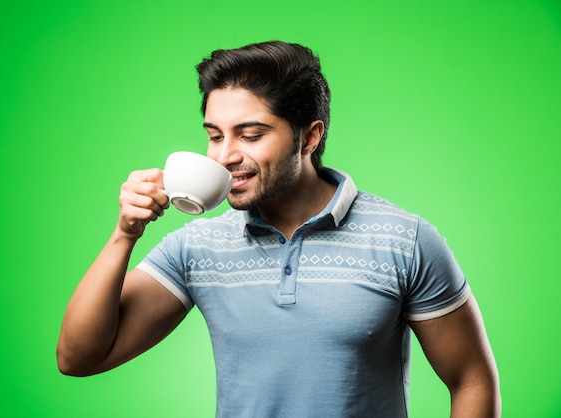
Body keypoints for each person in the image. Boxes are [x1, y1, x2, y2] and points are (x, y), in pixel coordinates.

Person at [57, 41, 501, 417]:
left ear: (309, 137)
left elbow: (471, 379)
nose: (225, 156)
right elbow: (79, 358)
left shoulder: (404, 240)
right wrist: (125, 235)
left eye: (250, 135)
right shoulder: (197, 247)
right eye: (215, 135)